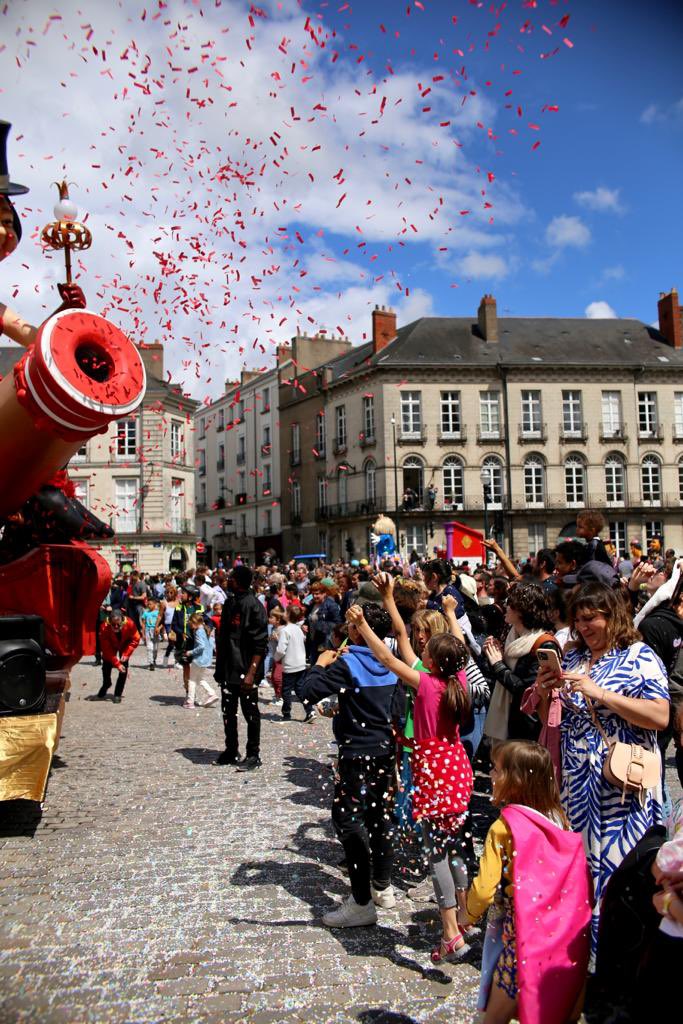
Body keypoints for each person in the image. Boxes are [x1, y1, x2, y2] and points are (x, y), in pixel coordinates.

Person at [535, 582, 670, 960]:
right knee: (580, 874)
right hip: (577, 787)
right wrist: (547, 692)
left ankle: (621, 958)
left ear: (613, 616)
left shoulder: (638, 656)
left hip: (621, 789)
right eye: (578, 620)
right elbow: (552, 721)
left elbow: (661, 717)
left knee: (621, 875)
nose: (584, 627)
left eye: (591, 618)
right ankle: (587, 959)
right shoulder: (574, 658)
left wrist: (602, 694)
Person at [347, 601, 474, 963]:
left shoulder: (429, 685)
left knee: (436, 854)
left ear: (432, 662)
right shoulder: (458, 681)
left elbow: (388, 658)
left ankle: (450, 932)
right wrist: (450, 614)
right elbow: (459, 641)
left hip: (433, 772)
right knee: (457, 846)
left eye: (427, 649)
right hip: (458, 768)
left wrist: (363, 626)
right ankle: (465, 916)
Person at [458, 740, 591, 1024]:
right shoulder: (560, 818)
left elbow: (483, 889)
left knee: (493, 1018)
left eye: (496, 770)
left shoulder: (503, 828)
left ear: (515, 781)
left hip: (522, 943)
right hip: (561, 936)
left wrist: (466, 915)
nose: (490, 775)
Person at [301, 603, 399, 928]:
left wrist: (319, 663)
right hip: (385, 749)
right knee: (379, 815)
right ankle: (382, 886)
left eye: (350, 626)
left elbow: (307, 691)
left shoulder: (351, 663)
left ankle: (361, 902)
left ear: (358, 630)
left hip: (357, 753)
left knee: (346, 818)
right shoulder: (391, 659)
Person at [483, 583, 558, 743]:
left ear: (522, 611)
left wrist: (498, 665)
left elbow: (527, 690)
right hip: (511, 722)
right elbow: (499, 677)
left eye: (510, 604)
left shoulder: (543, 644)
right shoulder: (513, 637)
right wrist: (492, 655)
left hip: (527, 730)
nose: (505, 606)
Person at [213, 566, 268, 771]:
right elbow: (224, 638)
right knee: (228, 712)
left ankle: (253, 754)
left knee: (250, 712)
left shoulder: (254, 606)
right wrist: (220, 669)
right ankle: (231, 749)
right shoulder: (229, 603)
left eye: (231, 578)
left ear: (238, 581)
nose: (227, 580)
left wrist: (251, 674)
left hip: (246, 669)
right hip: (228, 669)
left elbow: (260, 644)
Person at [96, 609, 140, 703]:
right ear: (110, 621)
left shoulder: (130, 624)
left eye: (118, 624)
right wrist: (116, 663)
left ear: (122, 620)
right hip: (110, 644)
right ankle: (106, 684)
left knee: (124, 668)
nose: (116, 626)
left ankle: (117, 694)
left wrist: (126, 653)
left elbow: (136, 639)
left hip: (125, 644)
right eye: (113, 624)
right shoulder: (104, 627)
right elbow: (106, 649)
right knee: (106, 665)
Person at [274, 604, 307, 721]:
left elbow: (281, 649)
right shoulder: (298, 629)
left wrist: (276, 658)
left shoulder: (285, 630)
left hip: (290, 665)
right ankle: (310, 710)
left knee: (286, 691)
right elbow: (302, 640)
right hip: (301, 664)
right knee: (300, 689)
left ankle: (286, 713)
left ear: (287, 615)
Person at [181, 612, 219, 710]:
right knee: (199, 679)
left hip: (198, 659)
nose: (191, 626)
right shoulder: (206, 630)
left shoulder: (198, 631)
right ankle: (212, 694)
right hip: (205, 660)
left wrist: (190, 652)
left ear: (195, 622)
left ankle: (190, 702)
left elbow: (201, 646)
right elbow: (210, 645)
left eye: (191, 623)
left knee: (192, 680)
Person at [141, 597, 160, 671]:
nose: (149, 605)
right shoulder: (145, 613)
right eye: (148, 604)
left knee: (155, 648)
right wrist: (143, 634)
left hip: (155, 631)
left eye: (150, 604)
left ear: (155, 604)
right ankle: (151, 663)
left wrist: (160, 629)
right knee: (149, 648)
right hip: (148, 630)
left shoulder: (158, 612)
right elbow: (143, 623)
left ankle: (154, 659)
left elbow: (162, 622)